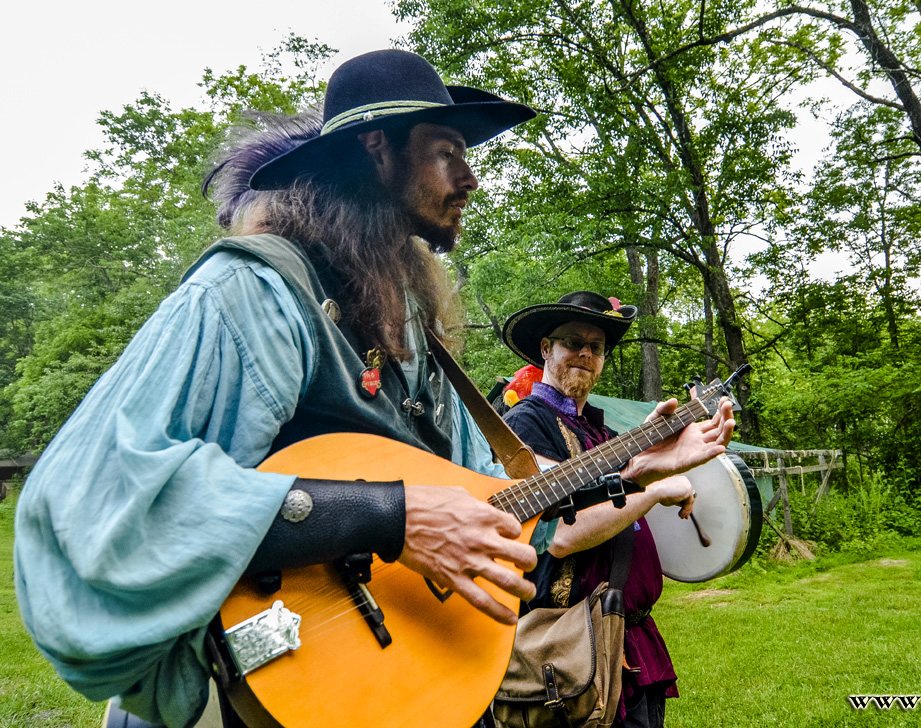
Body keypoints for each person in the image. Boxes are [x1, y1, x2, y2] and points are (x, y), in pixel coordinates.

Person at [13, 51, 734, 728]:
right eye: (446, 150)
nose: (470, 177)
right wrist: (389, 516)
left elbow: (484, 494)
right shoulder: (252, 291)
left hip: (384, 687)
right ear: (376, 150)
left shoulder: (407, 331)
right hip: (251, 686)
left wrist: (628, 469)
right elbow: (91, 497)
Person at [501, 292, 731, 728]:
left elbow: (618, 505)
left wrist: (650, 469)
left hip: (631, 636)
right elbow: (563, 534)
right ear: (546, 349)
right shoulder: (526, 423)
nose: (586, 354)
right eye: (573, 342)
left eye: (597, 346)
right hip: (574, 644)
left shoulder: (602, 432)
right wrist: (653, 490)